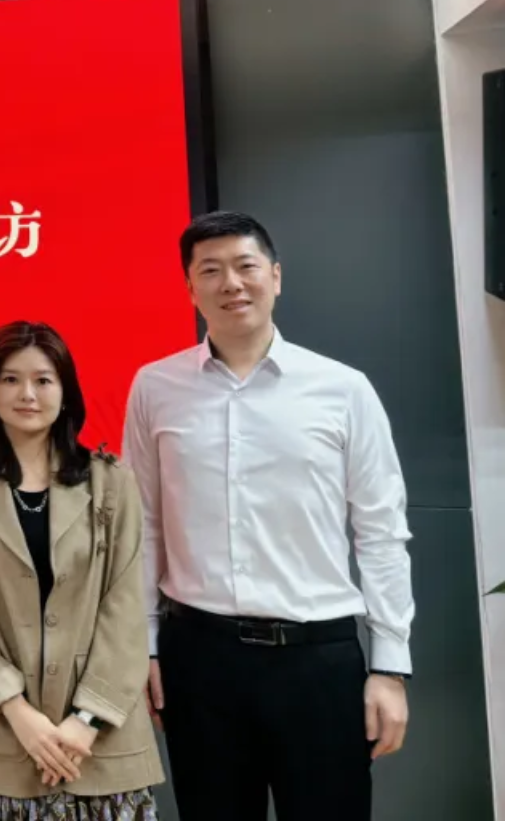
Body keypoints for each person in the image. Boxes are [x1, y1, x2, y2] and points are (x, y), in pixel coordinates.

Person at [126, 211, 413, 821]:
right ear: (190, 288)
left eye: (246, 266)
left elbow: (382, 532)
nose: (231, 283)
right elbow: (143, 524)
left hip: (317, 661)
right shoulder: (155, 387)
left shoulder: (343, 389)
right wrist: (145, 645)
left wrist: (390, 665)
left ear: (276, 277)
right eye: (211, 271)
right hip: (198, 659)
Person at [0, 321, 162, 821]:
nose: (27, 394)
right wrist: (17, 712)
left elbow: (126, 606)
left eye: (43, 380)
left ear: (65, 390)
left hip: (101, 742)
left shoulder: (111, 481)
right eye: (10, 379)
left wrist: (85, 720)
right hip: (3, 736)